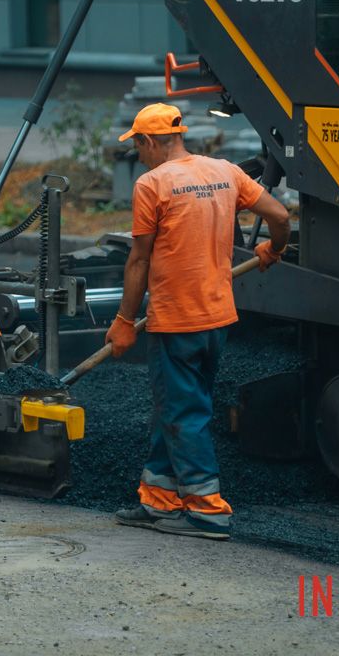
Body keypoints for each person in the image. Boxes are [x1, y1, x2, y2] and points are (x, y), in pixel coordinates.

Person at [106, 103, 290, 540]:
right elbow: (280, 217)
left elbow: (139, 259)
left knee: (183, 413)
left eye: (138, 146)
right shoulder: (225, 171)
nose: (139, 155)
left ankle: (207, 511)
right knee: (174, 407)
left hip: (176, 320)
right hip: (217, 317)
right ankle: (160, 499)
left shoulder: (153, 184)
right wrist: (275, 250)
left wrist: (123, 319)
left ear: (150, 142)